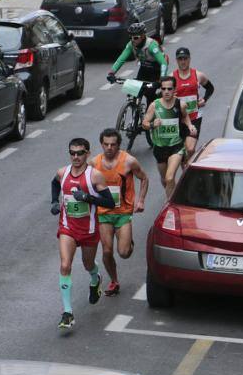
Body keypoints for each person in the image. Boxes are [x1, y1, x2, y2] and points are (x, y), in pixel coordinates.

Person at [50, 138, 115, 330]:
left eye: (80, 153)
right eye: (72, 153)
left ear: (87, 153)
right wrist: (54, 202)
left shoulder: (95, 176)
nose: (75, 157)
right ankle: (68, 312)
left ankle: (95, 279)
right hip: (67, 227)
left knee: (88, 264)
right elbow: (54, 184)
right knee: (65, 265)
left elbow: (110, 203)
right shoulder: (62, 173)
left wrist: (87, 197)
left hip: (89, 230)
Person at [90, 128, 149, 297]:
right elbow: (86, 183)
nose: (109, 148)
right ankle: (114, 280)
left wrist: (141, 200)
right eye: (106, 144)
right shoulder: (94, 163)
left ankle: (128, 242)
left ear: (118, 145)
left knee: (124, 253)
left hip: (123, 212)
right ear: (101, 144)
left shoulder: (129, 161)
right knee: (107, 251)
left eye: (113, 145)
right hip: (103, 213)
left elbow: (144, 178)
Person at [142, 76, 196, 200]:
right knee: (165, 180)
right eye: (163, 88)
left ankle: (170, 205)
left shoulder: (180, 104)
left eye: (169, 89)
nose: (166, 91)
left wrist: (190, 125)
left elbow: (185, 117)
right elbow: (144, 124)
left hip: (176, 147)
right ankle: (175, 195)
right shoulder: (154, 106)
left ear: (174, 89)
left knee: (170, 177)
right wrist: (151, 124)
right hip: (160, 148)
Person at [107, 21, 168, 108]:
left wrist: (161, 79)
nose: (132, 40)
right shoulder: (131, 45)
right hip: (144, 68)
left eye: (135, 37)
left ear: (143, 36)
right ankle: (136, 111)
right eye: (130, 37)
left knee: (149, 93)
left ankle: (152, 111)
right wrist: (111, 73)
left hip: (156, 69)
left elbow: (163, 63)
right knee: (134, 90)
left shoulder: (151, 45)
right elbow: (121, 59)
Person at [172, 47, 214, 160]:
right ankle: (186, 168)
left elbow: (210, 88)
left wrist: (204, 99)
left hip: (195, 117)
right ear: (177, 60)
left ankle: (188, 167)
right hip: (179, 118)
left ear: (189, 59)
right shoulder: (172, 77)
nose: (183, 61)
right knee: (181, 150)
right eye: (180, 59)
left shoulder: (198, 75)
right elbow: (162, 95)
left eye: (185, 58)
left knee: (190, 149)